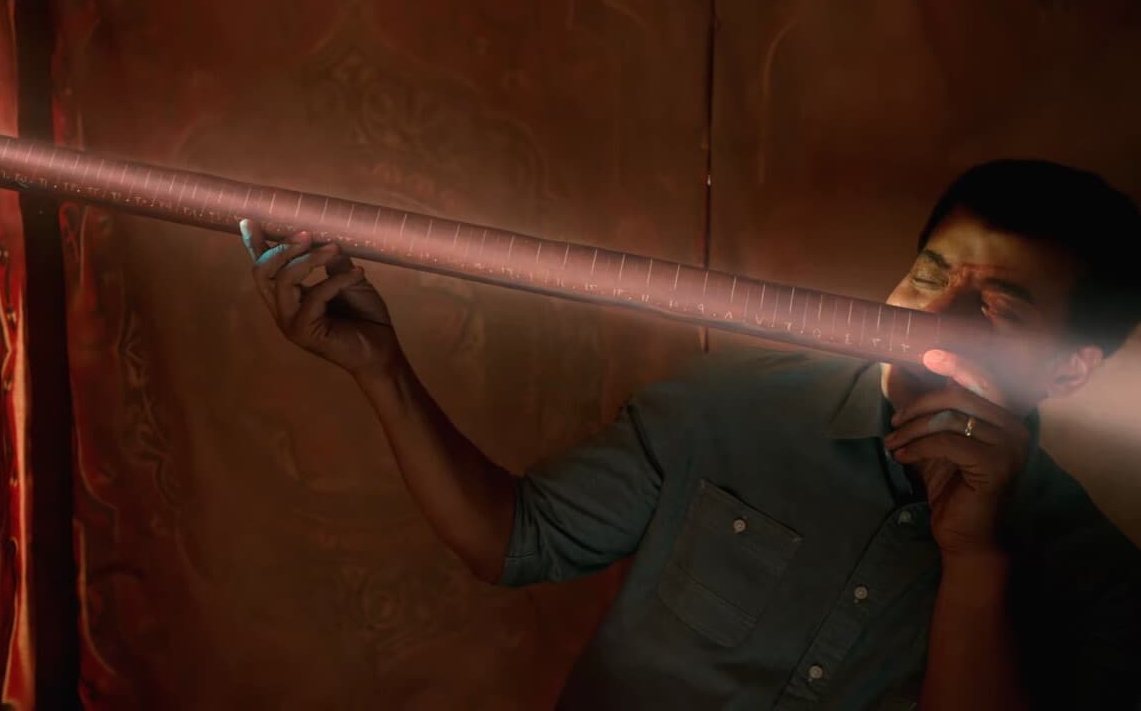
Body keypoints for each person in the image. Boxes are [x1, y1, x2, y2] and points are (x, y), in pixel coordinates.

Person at [238, 159, 1141, 710]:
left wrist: (977, 563)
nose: (931, 321)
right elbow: (510, 540)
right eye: (929, 278)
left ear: (1070, 371)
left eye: (999, 309)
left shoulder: (1098, 579)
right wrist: (381, 368)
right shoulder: (731, 407)